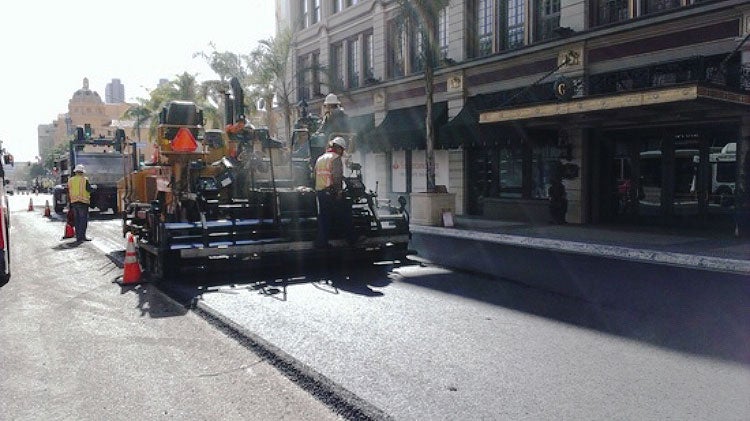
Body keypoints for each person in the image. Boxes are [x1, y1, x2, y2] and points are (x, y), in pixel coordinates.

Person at [314, 136, 354, 247]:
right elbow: (336, 178)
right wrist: (339, 192)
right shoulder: (335, 159)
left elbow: (316, 175)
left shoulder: (320, 158)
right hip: (331, 192)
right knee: (345, 212)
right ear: (339, 148)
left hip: (321, 192)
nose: (342, 152)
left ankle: (321, 242)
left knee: (324, 217)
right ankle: (351, 239)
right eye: (342, 150)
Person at [68, 164, 92, 241]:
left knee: (77, 220)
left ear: (75, 172)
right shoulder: (84, 180)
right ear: (82, 172)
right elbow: (89, 190)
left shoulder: (70, 180)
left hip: (74, 202)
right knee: (83, 220)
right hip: (83, 202)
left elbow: (69, 190)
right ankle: (82, 236)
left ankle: (78, 236)